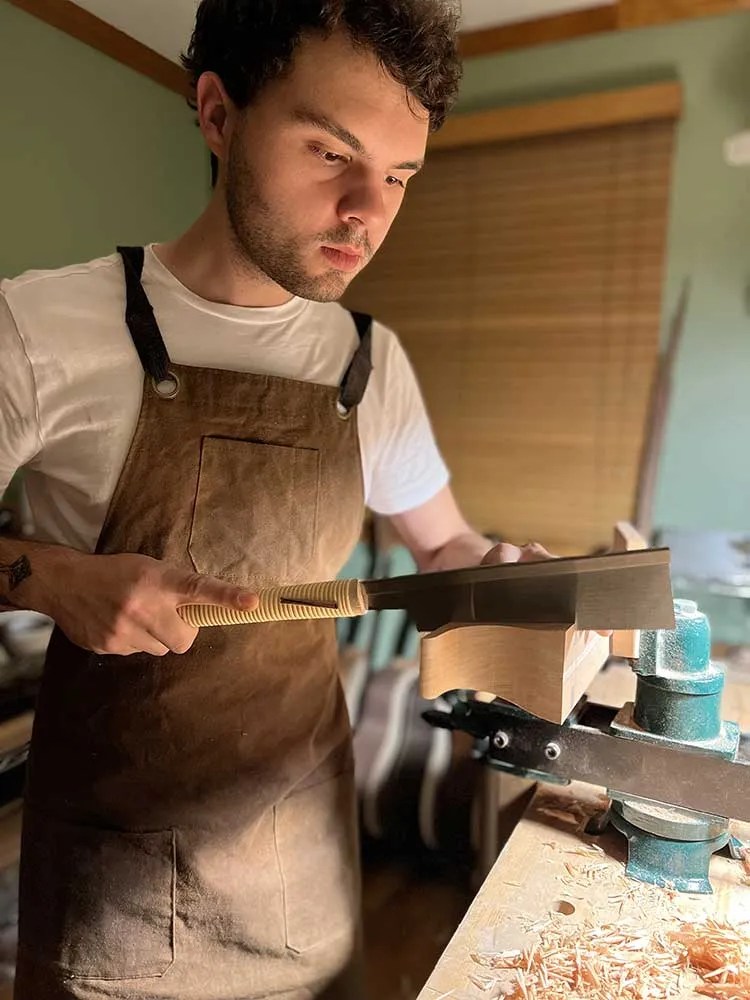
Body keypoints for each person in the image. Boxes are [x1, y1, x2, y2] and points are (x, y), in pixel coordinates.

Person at [0, 2, 548, 998]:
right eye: (331, 153)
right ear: (217, 114)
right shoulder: (42, 328)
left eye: (397, 177)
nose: (366, 212)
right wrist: (57, 577)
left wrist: (496, 569)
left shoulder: (371, 366)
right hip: (114, 883)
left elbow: (445, 546)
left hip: (302, 861)